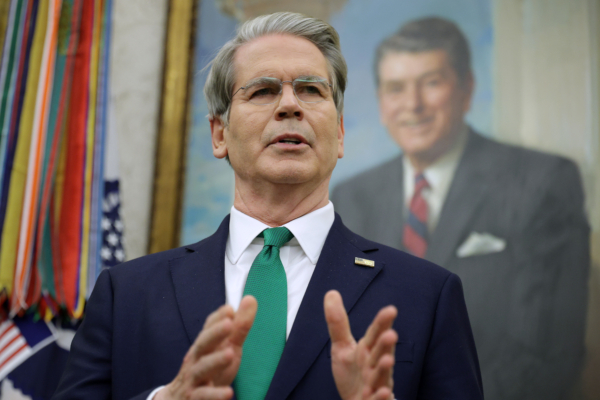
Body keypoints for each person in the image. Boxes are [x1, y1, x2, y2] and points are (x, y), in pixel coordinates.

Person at [52, 12, 483, 400]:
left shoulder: (427, 295)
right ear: (219, 134)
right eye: (262, 91)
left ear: (339, 132)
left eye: (311, 89)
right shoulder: (126, 294)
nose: (290, 105)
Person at [332, 17, 590, 400]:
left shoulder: (542, 183)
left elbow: (547, 356)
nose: (413, 104)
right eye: (396, 88)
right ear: (381, 102)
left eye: (431, 82)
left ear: (467, 89)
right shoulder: (352, 197)